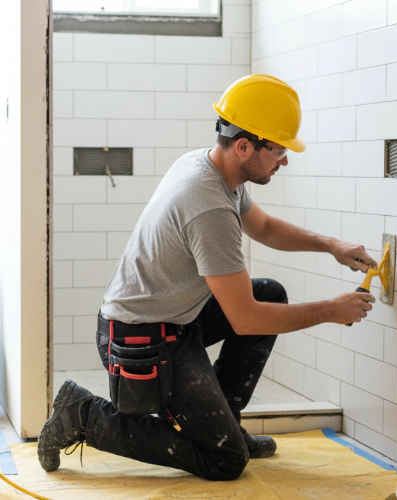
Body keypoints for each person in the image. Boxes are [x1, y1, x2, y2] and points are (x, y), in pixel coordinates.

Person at [38, 74, 377, 481]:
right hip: (139, 335)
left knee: (270, 291)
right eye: (279, 149)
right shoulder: (209, 207)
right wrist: (330, 310)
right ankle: (83, 414)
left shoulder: (214, 168)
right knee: (226, 461)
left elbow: (265, 227)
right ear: (244, 145)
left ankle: (224, 427)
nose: (284, 160)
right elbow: (246, 319)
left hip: (177, 316)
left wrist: (331, 245)